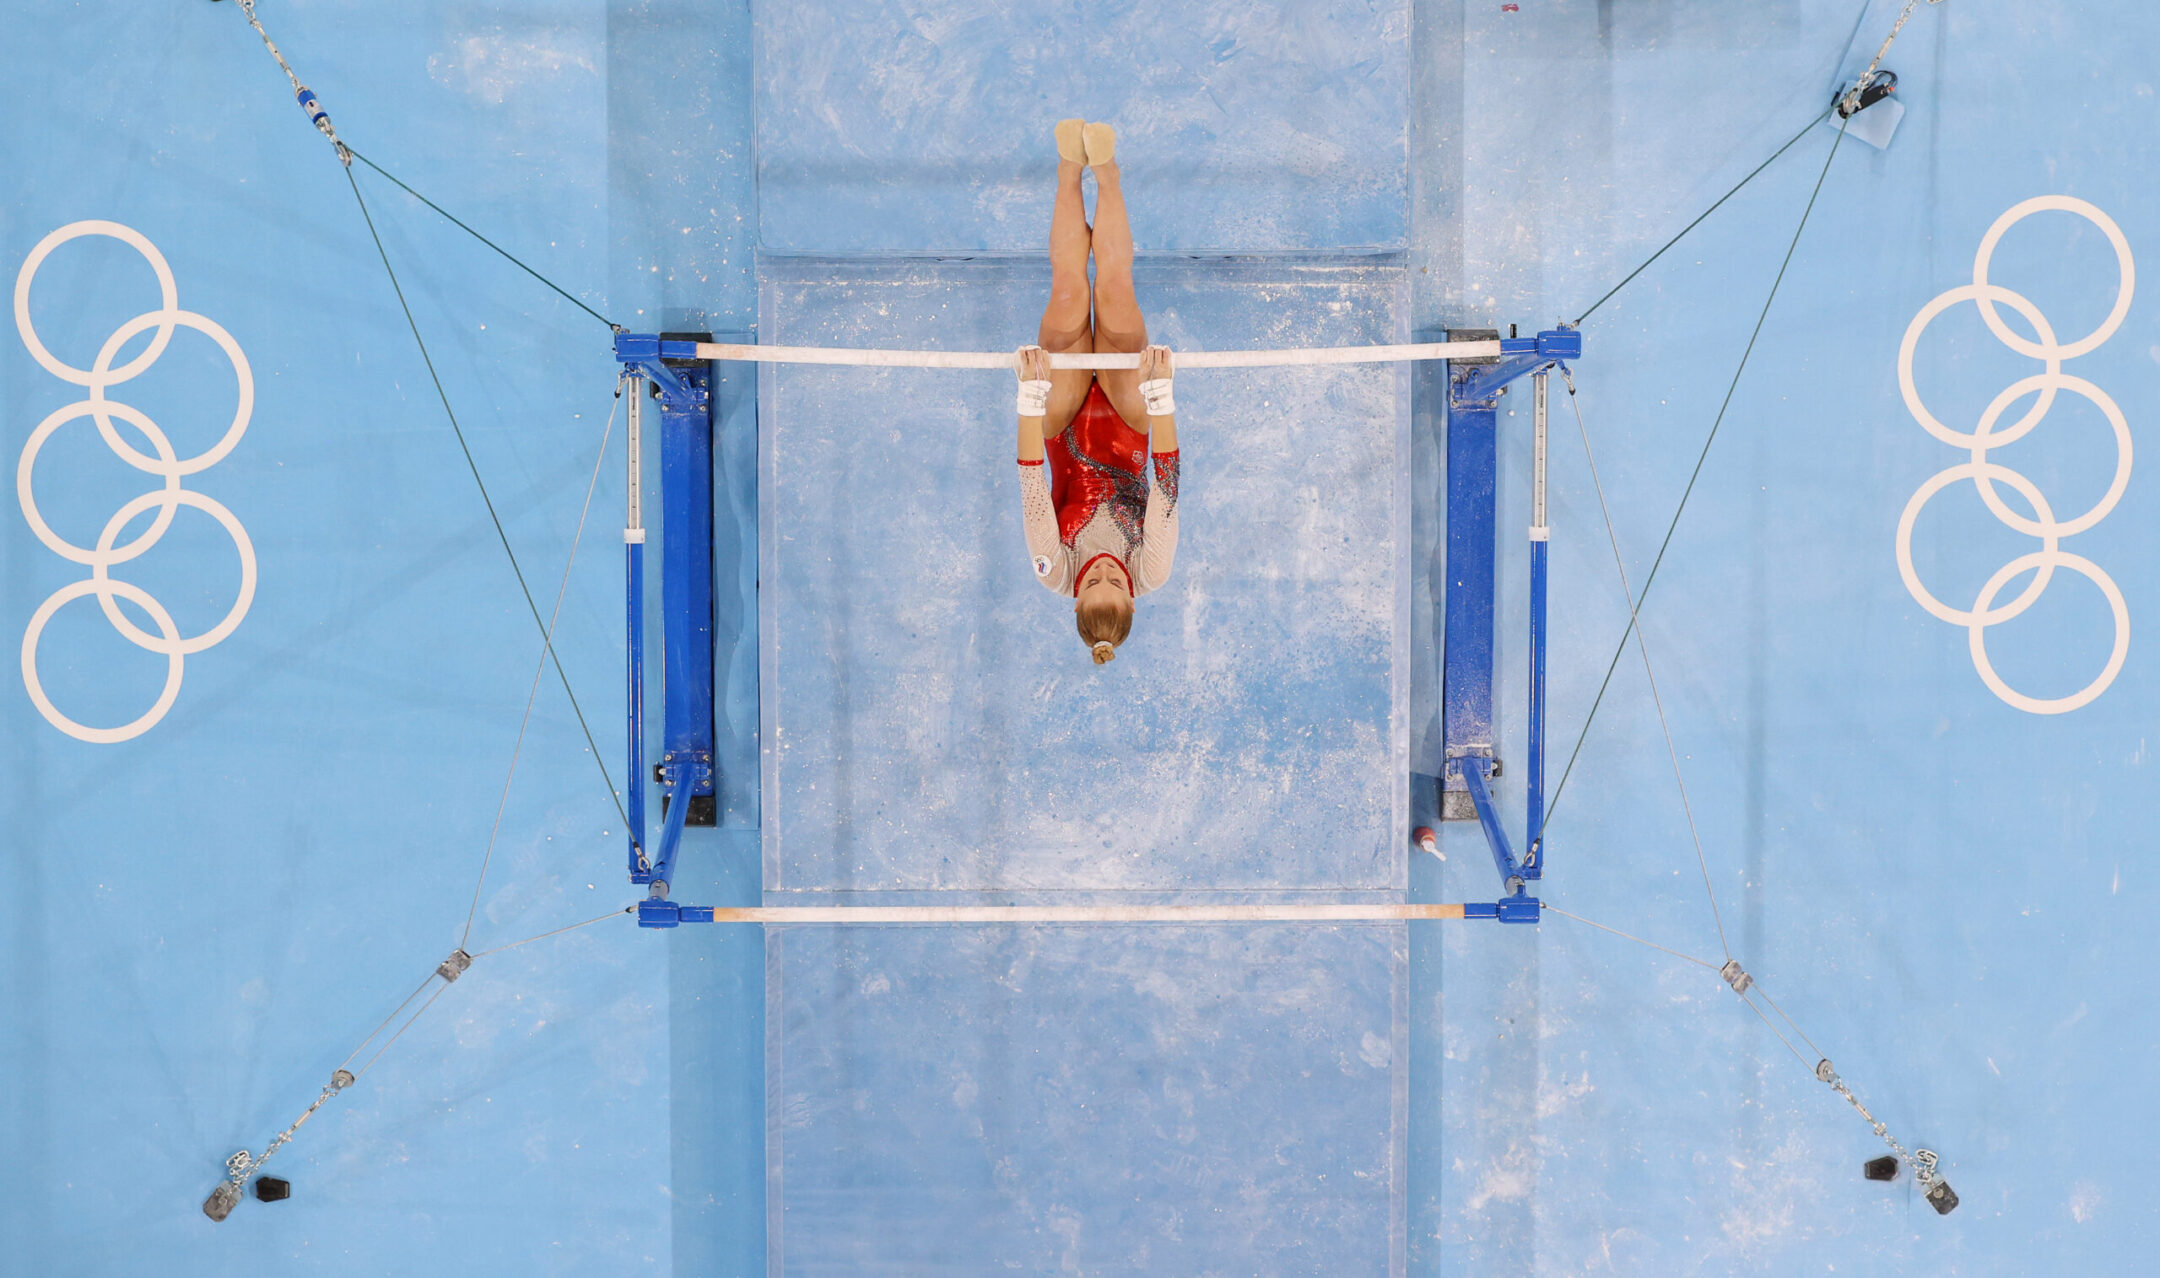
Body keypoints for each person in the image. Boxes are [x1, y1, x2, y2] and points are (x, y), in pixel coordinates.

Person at [1013, 120, 1180, 666]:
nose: (1106, 566)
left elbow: (1032, 481)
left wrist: (1032, 393)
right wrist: (1160, 393)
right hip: (1129, 425)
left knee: (1067, 291)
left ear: (1076, 598)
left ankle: (1068, 167)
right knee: (1113, 287)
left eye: (1095, 578)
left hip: (1060, 428)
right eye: (1115, 577)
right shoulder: (1151, 569)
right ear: (1131, 598)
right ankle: (1106, 173)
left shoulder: (1052, 571)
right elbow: (1167, 480)